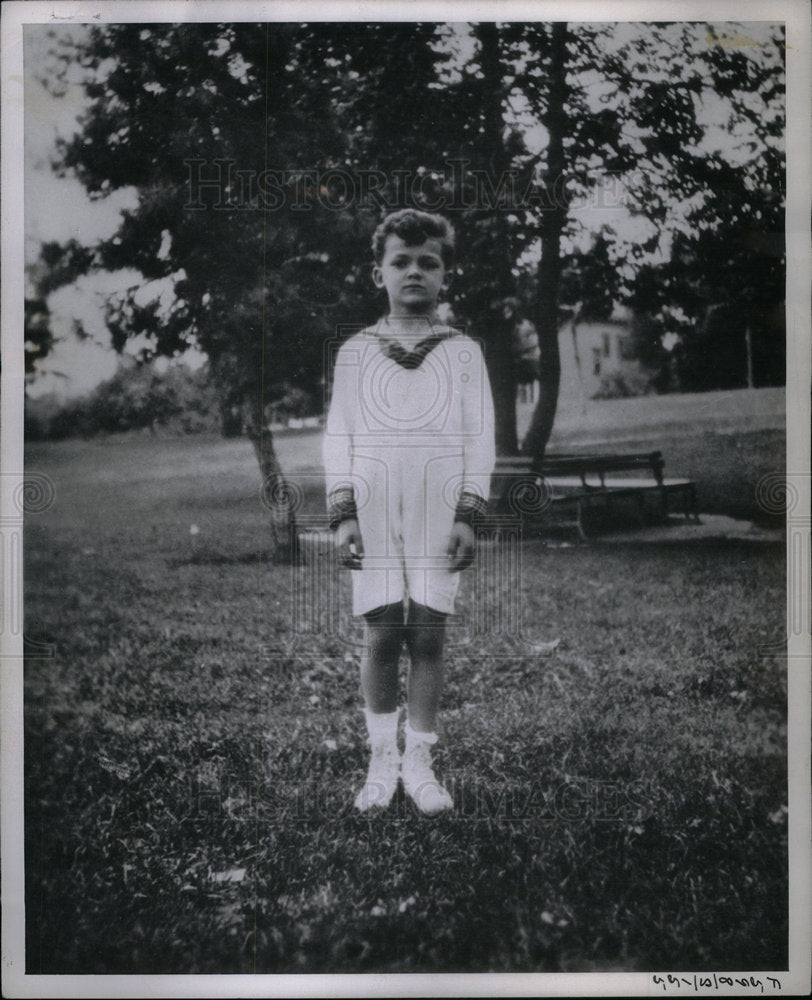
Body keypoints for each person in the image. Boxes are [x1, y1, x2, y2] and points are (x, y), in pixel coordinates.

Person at [323, 208, 495, 815]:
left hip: (438, 503)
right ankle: (381, 759)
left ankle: (420, 760)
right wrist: (343, 512)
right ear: (379, 273)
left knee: (426, 630)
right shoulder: (356, 352)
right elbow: (337, 438)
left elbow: (481, 440)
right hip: (372, 505)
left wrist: (468, 514)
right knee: (381, 631)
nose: (414, 271)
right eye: (401, 261)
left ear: (445, 274)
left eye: (429, 262)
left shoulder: (464, 352)